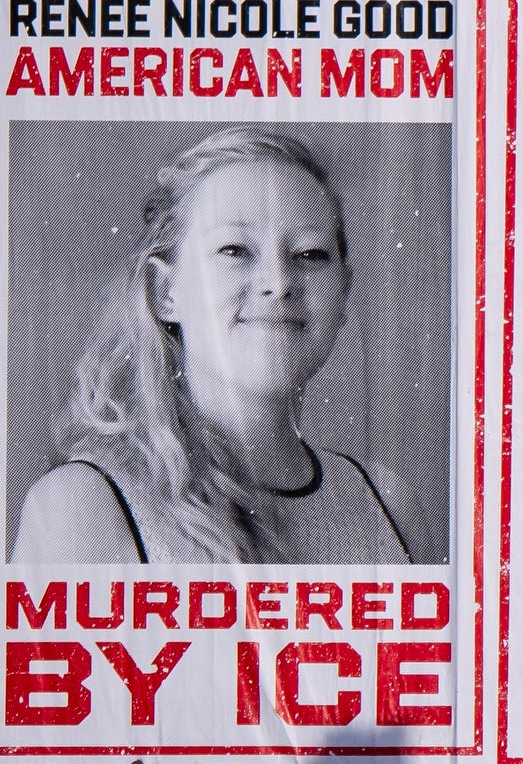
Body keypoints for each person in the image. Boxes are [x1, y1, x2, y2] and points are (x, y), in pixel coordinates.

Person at [14, 126, 429, 566]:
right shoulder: (83, 510)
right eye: (234, 250)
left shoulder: (389, 507)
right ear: (165, 292)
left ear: (343, 293)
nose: (279, 283)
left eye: (309, 254)